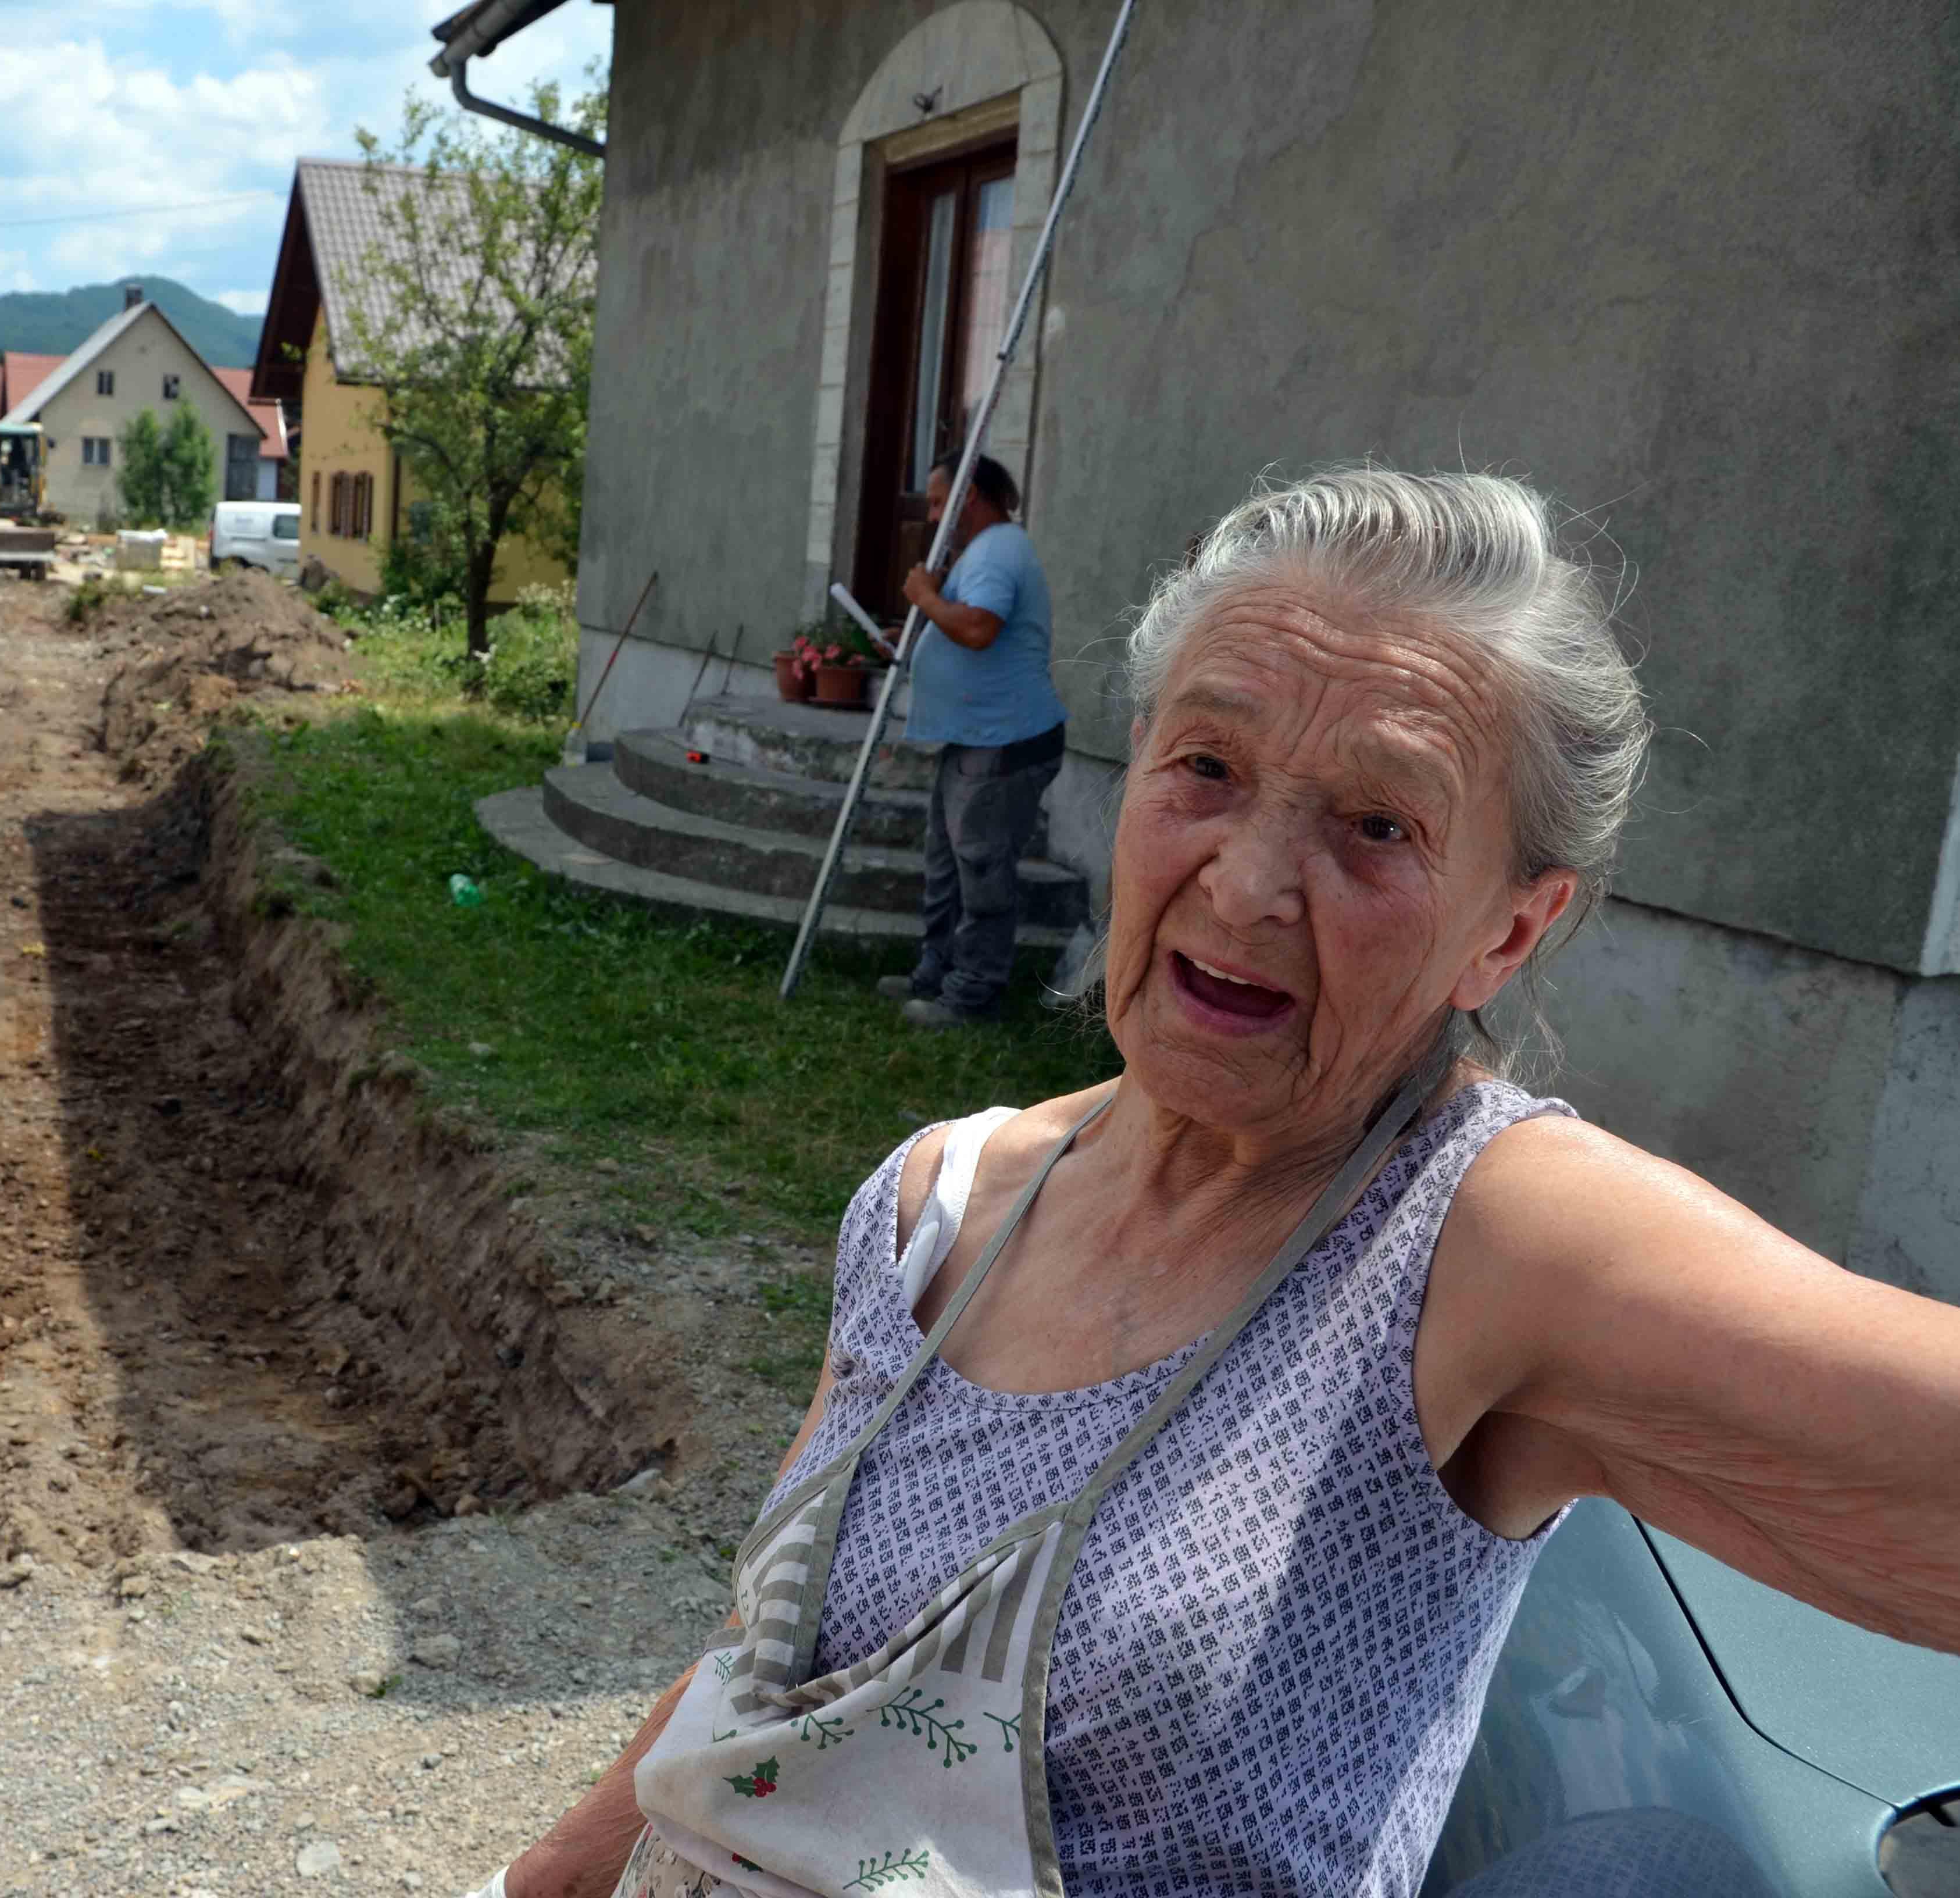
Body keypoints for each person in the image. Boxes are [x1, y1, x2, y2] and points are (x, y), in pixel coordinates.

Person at [479, 468, 1960, 1898]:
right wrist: (546, 1871)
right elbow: (775, 1654)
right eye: (1209, 768)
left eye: (1380, 826)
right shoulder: (938, 1199)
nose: (1248, 884)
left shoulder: (1482, 1242)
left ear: (1510, 932)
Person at [876, 452, 1066, 1028]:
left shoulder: (997, 552)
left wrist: (924, 598)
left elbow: (981, 628)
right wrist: (917, 631)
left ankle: (972, 996)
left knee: (981, 872)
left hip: (1004, 741)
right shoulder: (985, 553)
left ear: (971, 496)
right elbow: (967, 626)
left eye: (939, 502)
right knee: (946, 864)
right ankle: (936, 972)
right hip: (976, 737)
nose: (934, 516)